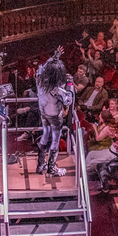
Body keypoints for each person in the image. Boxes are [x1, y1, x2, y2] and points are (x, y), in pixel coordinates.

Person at [35, 47, 74, 176]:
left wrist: (54, 57)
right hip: (54, 115)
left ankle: (40, 165)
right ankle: (51, 168)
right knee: (55, 140)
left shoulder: (39, 80)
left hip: (43, 113)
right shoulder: (57, 90)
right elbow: (68, 100)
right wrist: (69, 85)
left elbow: (43, 67)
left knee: (45, 134)